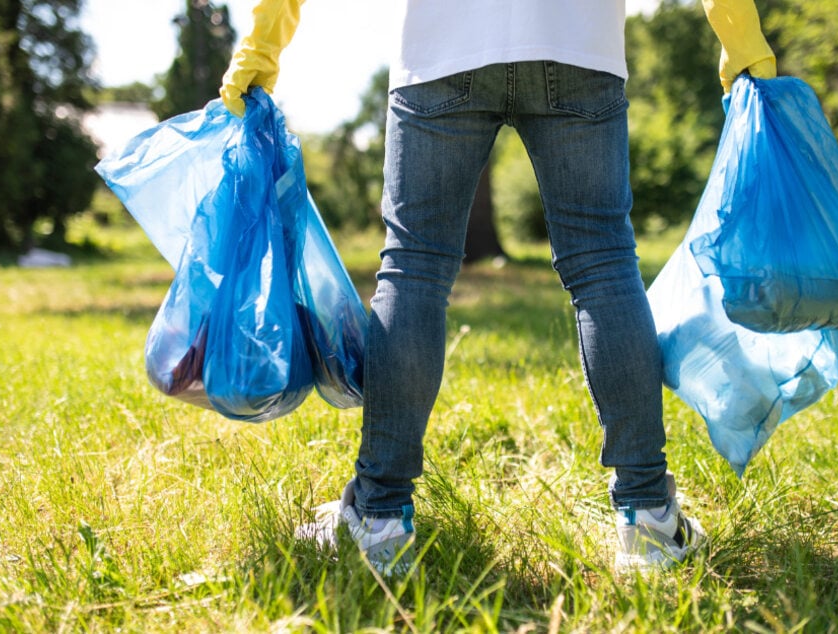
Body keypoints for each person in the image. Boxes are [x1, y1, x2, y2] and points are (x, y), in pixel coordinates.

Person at [220, 0, 777, 575]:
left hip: (442, 44)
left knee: (414, 267)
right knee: (604, 265)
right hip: (578, 41)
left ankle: (380, 519)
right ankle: (650, 519)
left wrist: (261, 46)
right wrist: (742, 38)